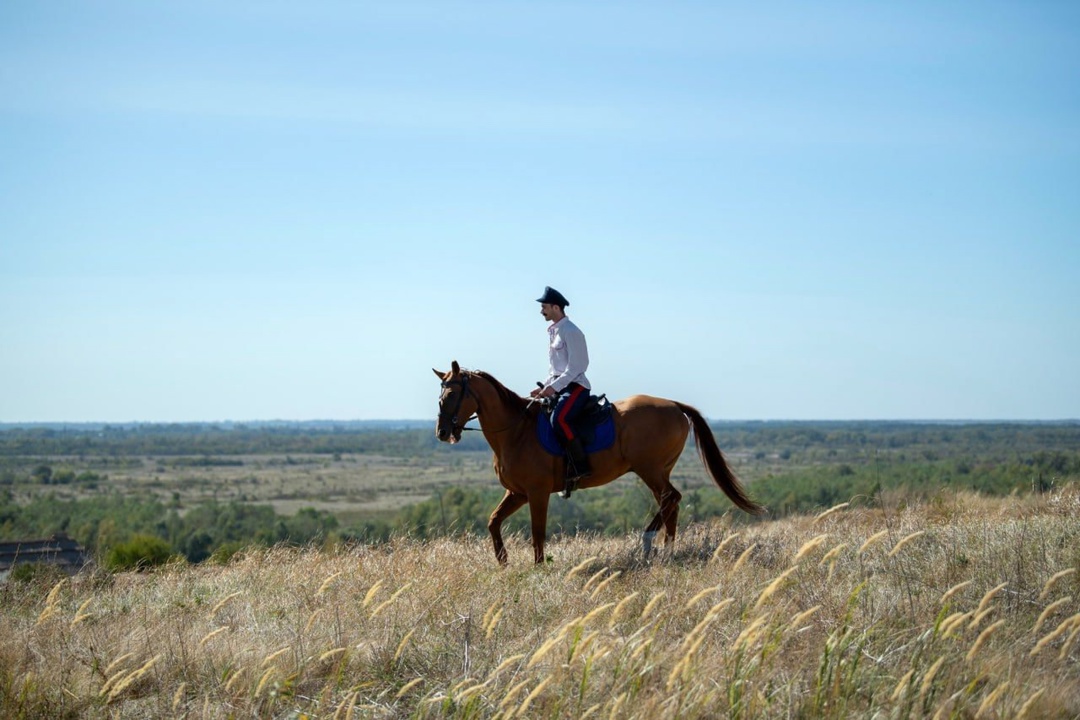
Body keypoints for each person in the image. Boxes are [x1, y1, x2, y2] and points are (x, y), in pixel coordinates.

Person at [530, 286, 592, 498]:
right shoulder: (555, 331)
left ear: (556, 307)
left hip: (576, 387)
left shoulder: (572, 331)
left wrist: (553, 388)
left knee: (560, 419)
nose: (541, 311)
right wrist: (544, 387)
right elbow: (555, 370)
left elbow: (577, 367)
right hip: (560, 386)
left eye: (544, 307)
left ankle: (579, 468)